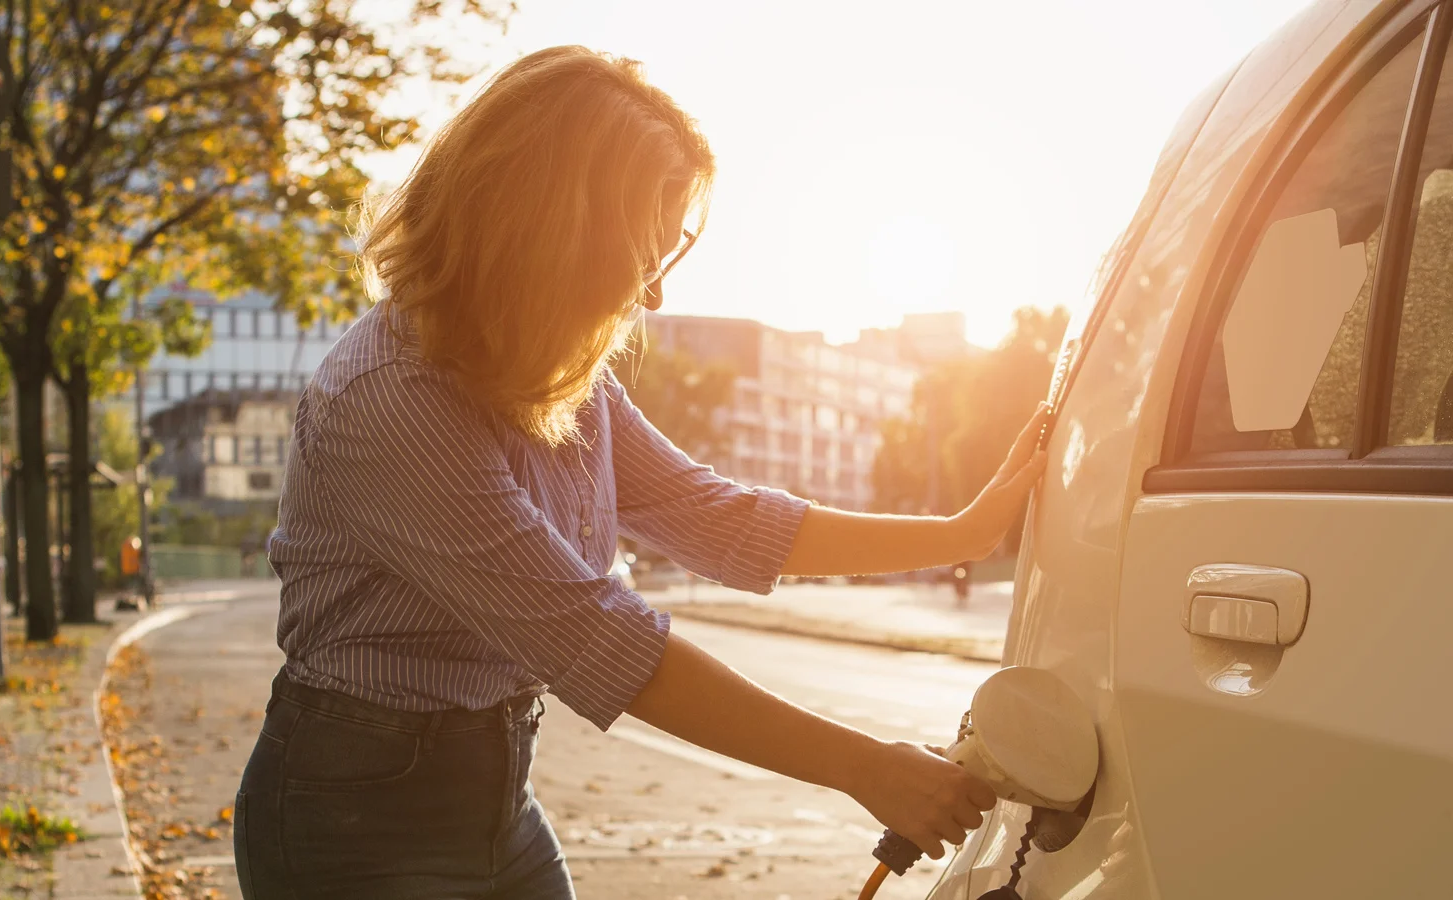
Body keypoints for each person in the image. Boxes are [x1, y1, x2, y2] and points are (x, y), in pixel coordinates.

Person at [234, 46, 1049, 899]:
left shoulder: (550, 371)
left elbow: (716, 516)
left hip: (494, 796)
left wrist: (963, 531)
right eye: (638, 257)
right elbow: (599, 638)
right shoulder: (391, 399)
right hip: (352, 817)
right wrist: (867, 768)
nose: (652, 297)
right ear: (549, 236)